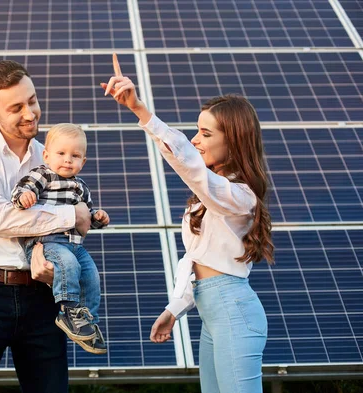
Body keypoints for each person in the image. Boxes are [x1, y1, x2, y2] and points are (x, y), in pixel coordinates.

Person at [102, 54, 274, 393]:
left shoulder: (240, 196)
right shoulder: (211, 195)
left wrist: (141, 111)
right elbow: (197, 259)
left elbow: (191, 167)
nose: (196, 139)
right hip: (212, 311)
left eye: (205, 133)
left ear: (234, 140)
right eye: (197, 131)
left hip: (233, 312)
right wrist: (174, 309)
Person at [0, 60, 92, 393]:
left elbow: (75, 229)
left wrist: (80, 221)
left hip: (42, 297)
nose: (30, 113)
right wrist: (72, 216)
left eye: (33, 101)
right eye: (16, 107)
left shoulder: (54, 155)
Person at [11, 123, 110, 354]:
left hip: (75, 244)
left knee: (91, 275)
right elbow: (21, 190)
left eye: (75, 156)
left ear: (82, 162)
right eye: (61, 153)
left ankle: (88, 320)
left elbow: (86, 219)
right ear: (46, 155)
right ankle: (68, 310)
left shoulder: (82, 187)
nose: (68, 160)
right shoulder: (43, 174)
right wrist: (24, 196)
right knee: (68, 264)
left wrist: (98, 218)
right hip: (47, 242)